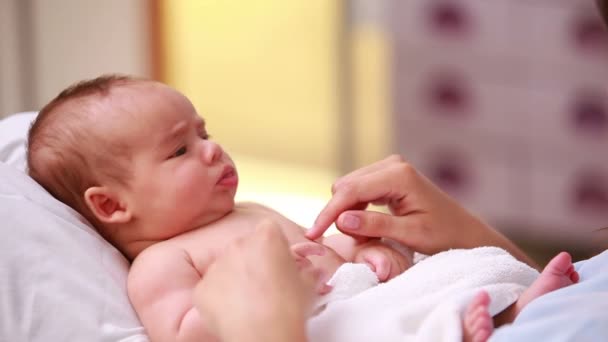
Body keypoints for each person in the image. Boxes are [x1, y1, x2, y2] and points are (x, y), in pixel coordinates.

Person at [26, 75, 414, 341]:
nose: (212, 149)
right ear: (111, 204)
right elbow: (183, 334)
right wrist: (265, 292)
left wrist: (367, 252)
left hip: (368, 310)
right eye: (180, 150)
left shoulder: (251, 211)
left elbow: (326, 253)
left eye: (204, 134)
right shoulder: (161, 263)